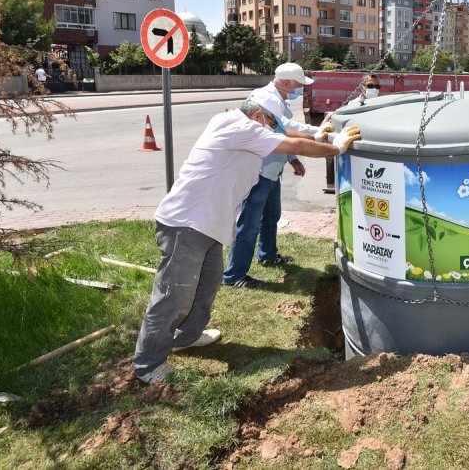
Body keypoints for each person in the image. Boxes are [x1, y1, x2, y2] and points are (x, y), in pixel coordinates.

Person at [132, 100, 360, 384]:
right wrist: (336, 148)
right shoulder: (240, 127)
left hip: (207, 226)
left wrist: (315, 134)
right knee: (173, 295)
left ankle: (185, 337)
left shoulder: (238, 125)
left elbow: (286, 134)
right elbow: (292, 145)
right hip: (186, 224)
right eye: (270, 124)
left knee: (207, 285)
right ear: (258, 116)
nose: (272, 131)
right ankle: (148, 365)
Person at [233, 63, 321, 270]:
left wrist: (292, 158)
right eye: (298, 85)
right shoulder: (267, 99)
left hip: (271, 171)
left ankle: (268, 255)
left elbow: (280, 136)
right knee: (250, 222)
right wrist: (318, 132)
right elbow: (285, 128)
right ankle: (235, 274)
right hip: (259, 172)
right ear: (286, 83)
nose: (301, 89)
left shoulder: (277, 99)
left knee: (272, 216)